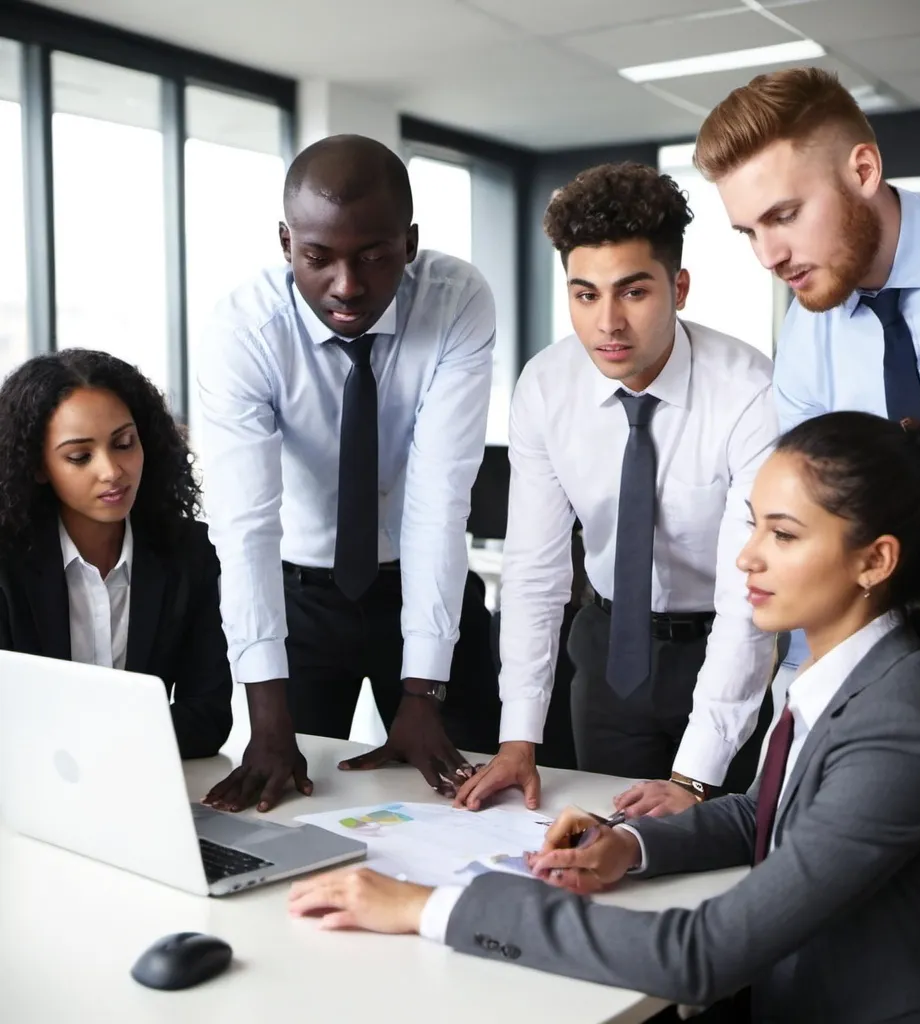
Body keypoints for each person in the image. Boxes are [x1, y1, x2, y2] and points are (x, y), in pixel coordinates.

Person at [288, 410, 920, 1023]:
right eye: (753, 526)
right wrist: (630, 844)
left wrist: (432, 908)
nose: (747, 559)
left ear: (875, 561)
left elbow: (700, 954)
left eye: (784, 534)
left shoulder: (903, 724)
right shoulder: (866, 668)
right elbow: (776, 817)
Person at [455, 163, 777, 818]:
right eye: (585, 294)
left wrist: (693, 780)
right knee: (600, 840)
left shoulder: (751, 391)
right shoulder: (547, 387)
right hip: (606, 654)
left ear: (678, 287)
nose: (608, 323)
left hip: (724, 647)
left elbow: (748, 597)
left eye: (633, 293)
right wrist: (518, 737)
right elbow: (536, 571)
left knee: (719, 849)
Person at [197, 134, 501, 814]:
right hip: (299, 602)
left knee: (473, 803)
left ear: (410, 241)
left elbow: (438, 500)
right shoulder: (244, 331)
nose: (347, 285)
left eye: (374, 255)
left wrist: (423, 691)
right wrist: (267, 718)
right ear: (285, 243)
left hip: (422, 585)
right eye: (318, 257)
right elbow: (244, 527)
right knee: (296, 804)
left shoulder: (456, 301)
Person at [691, 65, 920, 678]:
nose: (769, 256)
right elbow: (811, 527)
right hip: (907, 643)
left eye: (785, 215)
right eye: (749, 233)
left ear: (863, 171)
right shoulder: (803, 340)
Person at [0, 350, 232, 759]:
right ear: (38, 466)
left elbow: (208, 718)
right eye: (80, 456)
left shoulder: (188, 552)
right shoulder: (7, 564)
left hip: (142, 784)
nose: (111, 471)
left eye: (124, 444)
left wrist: (96, 744)